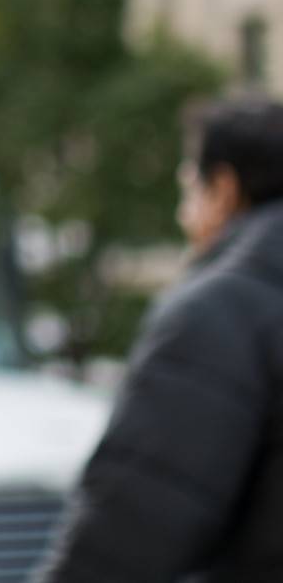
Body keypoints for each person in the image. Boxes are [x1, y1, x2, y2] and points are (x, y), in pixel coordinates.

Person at [40, 94, 283, 582]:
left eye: (188, 189)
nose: (184, 215)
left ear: (224, 189)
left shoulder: (220, 314)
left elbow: (125, 541)